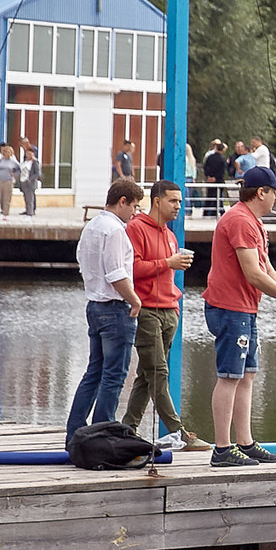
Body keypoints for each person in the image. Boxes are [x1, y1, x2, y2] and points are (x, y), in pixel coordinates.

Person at [203, 168, 276, 468]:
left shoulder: (254, 222)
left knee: (247, 375)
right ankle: (222, 450)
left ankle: (245, 443)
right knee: (229, 377)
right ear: (261, 192)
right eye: (274, 191)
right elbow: (252, 273)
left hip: (245, 309)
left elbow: (264, 268)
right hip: (229, 308)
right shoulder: (239, 220)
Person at [63, 178, 144, 434]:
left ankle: (75, 431)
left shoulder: (91, 227)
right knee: (114, 375)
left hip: (94, 306)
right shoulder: (116, 229)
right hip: (115, 309)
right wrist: (134, 299)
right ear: (122, 202)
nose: (135, 212)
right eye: (134, 206)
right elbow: (116, 273)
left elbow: (81, 261)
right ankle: (101, 433)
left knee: (93, 372)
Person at [123, 180, 198, 448]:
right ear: (157, 201)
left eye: (180, 201)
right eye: (173, 201)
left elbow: (165, 272)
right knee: (158, 371)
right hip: (146, 310)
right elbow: (130, 268)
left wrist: (175, 302)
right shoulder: (136, 228)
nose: (178, 206)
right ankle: (179, 431)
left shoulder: (170, 234)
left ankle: (128, 427)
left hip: (169, 310)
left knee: (146, 374)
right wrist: (167, 263)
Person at [0, 143, 19, 218]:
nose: (8, 153)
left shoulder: (13, 162)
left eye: (9, 152)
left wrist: (14, 174)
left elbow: (18, 170)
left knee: (6, 199)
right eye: (6, 152)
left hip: (8, 181)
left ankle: (5, 214)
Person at [19, 141, 42, 216]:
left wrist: (30, 179)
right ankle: (27, 210)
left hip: (30, 182)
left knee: (30, 198)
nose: (28, 155)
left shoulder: (35, 162)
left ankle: (30, 212)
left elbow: (37, 173)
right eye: (27, 154)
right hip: (23, 181)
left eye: (30, 154)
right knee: (26, 198)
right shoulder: (25, 162)